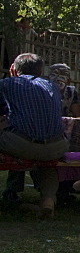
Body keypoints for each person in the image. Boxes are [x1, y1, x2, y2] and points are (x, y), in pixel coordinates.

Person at [0, 53, 69, 218]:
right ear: (40, 71)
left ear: (13, 69)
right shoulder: (51, 86)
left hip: (21, 144)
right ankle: (48, 200)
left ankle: (13, 190)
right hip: (56, 146)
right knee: (46, 161)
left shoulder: (6, 84)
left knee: (17, 137)